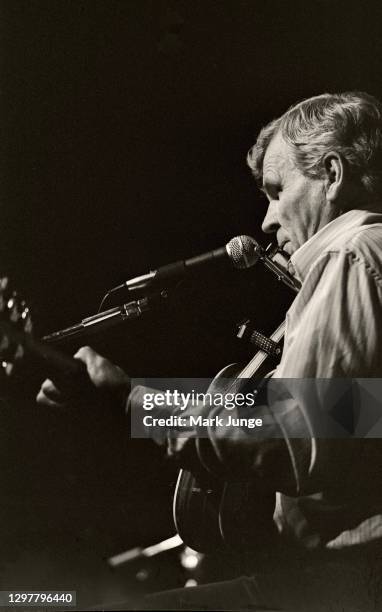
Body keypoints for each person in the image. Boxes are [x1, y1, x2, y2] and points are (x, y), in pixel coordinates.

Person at [37, 91, 382, 611]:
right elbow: (340, 414)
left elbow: (298, 428)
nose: (266, 220)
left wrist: (132, 403)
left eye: (277, 190)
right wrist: (129, 398)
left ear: (332, 174)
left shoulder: (351, 254)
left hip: (344, 581)